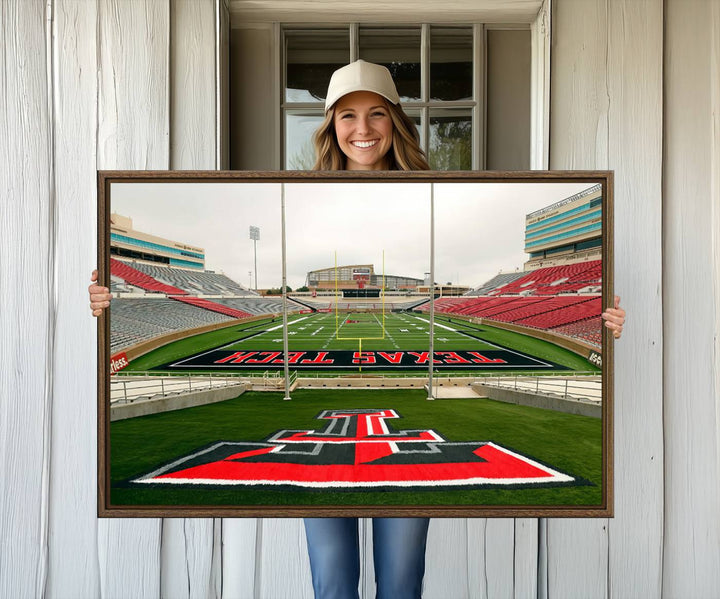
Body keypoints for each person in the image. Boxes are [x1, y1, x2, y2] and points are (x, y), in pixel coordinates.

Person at [88, 60, 626, 599]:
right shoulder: (295, 192)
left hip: (401, 440)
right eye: (348, 115)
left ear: (395, 121)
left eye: (376, 115)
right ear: (330, 125)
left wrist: (603, 319)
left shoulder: (435, 191)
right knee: (332, 582)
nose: (362, 129)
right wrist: (109, 299)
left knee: (401, 582)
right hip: (324, 438)